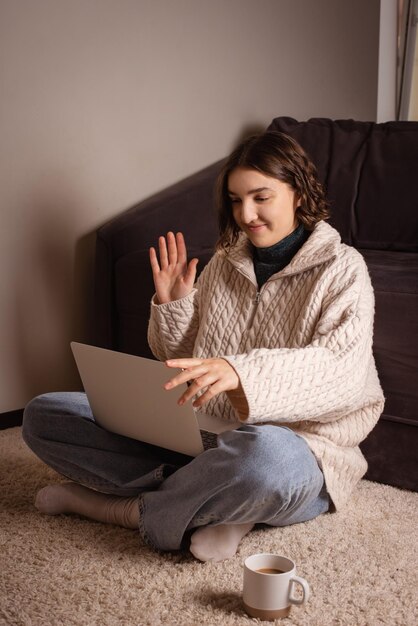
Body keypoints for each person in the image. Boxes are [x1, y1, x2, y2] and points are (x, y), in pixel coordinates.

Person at [22, 131, 385, 562]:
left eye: (261, 197)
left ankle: (122, 509)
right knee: (46, 414)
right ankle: (219, 504)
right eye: (235, 200)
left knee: (269, 462)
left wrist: (241, 372)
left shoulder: (344, 270)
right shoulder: (225, 261)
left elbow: (340, 371)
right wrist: (173, 305)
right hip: (204, 435)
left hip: (301, 449)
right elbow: (182, 359)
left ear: (300, 194)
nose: (246, 214)